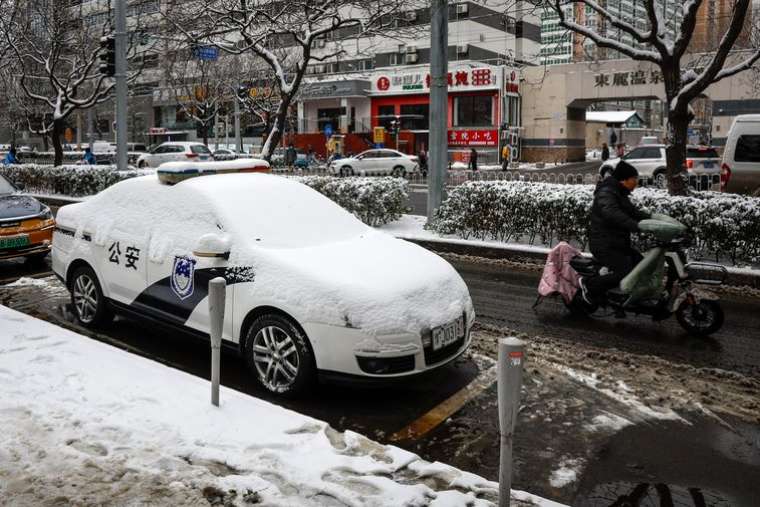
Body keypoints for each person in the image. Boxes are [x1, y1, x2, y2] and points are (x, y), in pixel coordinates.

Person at [580, 161, 651, 304]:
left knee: (641, 264)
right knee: (625, 271)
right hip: (604, 244)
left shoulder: (619, 193)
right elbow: (613, 214)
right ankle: (590, 285)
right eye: (634, 179)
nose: (636, 182)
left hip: (617, 243)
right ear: (624, 179)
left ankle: (629, 296)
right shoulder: (607, 193)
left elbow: (633, 212)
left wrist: (652, 220)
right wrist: (636, 226)